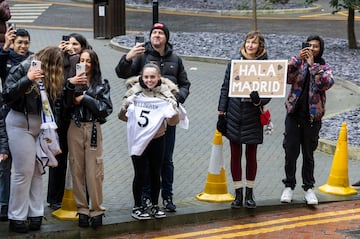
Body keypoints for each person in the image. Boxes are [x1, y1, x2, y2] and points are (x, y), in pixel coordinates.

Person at [115, 22, 190, 212]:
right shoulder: (140, 56)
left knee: (166, 159)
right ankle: (145, 197)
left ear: (166, 37)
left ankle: (167, 197)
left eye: (160, 33)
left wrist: (175, 99)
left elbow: (185, 84)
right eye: (154, 32)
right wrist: (128, 57)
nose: (156, 35)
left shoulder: (176, 59)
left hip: (165, 119)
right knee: (145, 159)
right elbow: (121, 73)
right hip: (144, 121)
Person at [2, 46, 64, 233]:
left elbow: (55, 102)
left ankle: (35, 214)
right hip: (20, 123)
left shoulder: (50, 76)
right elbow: (7, 94)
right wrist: (27, 79)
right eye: (56, 66)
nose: (58, 71)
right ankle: (17, 217)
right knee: (24, 171)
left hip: (42, 126)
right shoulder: (22, 68)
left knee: (38, 170)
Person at [217, 31, 271, 209]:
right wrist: (221, 113)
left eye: (254, 43)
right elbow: (225, 87)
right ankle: (238, 193)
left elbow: (270, 91)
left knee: (251, 156)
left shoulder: (266, 65)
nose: (250, 45)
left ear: (260, 46)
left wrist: (259, 100)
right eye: (248, 42)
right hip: (234, 115)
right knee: (235, 155)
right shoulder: (234, 63)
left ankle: (250, 193)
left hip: (253, 116)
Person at [119, 63, 179, 220]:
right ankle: (138, 206)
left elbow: (174, 121)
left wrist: (174, 108)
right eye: (146, 77)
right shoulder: (134, 92)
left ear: (159, 77)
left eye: (153, 77)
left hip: (158, 138)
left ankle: (154, 204)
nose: (149, 80)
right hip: (138, 138)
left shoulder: (166, 93)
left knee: (155, 172)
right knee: (140, 173)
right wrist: (127, 105)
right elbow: (122, 116)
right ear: (141, 77)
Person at [280, 35, 334, 205]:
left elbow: (325, 84)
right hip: (293, 114)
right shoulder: (297, 64)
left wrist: (312, 67)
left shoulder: (323, 68)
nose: (311, 49)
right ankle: (289, 186)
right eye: (308, 45)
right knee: (290, 152)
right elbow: (285, 77)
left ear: (321, 49)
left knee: (308, 154)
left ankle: (308, 188)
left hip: (312, 117)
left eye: (315, 46)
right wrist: (297, 60)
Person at [64, 49, 112, 228]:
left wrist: (85, 98)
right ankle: (82, 210)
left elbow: (105, 108)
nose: (84, 64)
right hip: (75, 127)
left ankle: (97, 209)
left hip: (93, 128)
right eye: (81, 60)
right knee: (76, 169)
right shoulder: (71, 82)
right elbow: (65, 105)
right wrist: (71, 86)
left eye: (88, 61)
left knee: (94, 171)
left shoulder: (101, 84)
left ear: (94, 64)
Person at [46, 32, 92, 210]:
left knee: (81, 160)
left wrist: (74, 58)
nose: (71, 47)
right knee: (59, 157)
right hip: (62, 116)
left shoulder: (83, 61)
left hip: (79, 116)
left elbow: (82, 85)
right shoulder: (61, 59)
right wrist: (59, 54)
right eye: (69, 44)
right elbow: (56, 83)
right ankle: (54, 198)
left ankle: (83, 198)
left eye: (76, 45)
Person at [0, 27, 32, 221]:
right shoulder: (5, 57)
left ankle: (21, 205)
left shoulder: (34, 60)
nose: (23, 46)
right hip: (7, 115)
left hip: (27, 117)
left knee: (24, 166)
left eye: (26, 42)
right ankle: (4, 204)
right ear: (13, 42)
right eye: (19, 42)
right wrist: (4, 49)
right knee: (5, 163)